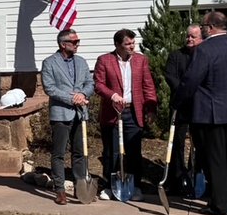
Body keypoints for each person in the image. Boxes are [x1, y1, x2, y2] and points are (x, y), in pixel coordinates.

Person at [174, 11, 227, 215]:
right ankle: (223, 201)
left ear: (210, 28)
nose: (203, 29)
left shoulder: (205, 49)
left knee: (214, 160)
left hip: (212, 114)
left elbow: (191, 80)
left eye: (203, 26)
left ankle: (220, 205)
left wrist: (178, 101)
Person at [93, 29, 157, 200]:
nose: (132, 46)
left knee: (134, 152)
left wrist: (151, 108)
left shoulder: (141, 60)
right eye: (127, 44)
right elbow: (98, 84)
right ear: (117, 45)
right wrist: (112, 95)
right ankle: (110, 185)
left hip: (133, 112)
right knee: (111, 152)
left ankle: (135, 186)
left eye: (133, 43)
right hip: (112, 113)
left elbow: (148, 85)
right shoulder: (105, 60)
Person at [39, 28, 93, 205]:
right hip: (61, 113)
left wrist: (82, 94)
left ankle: (80, 188)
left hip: (80, 114)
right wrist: (72, 99)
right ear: (63, 44)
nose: (78, 44)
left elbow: (90, 83)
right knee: (59, 154)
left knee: (79, 153)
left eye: (78, 41)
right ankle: (60, 190)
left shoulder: (81, 62)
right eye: (74, 42)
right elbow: (50, 88)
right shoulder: (49, 63)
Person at [163, 24, 204, 194]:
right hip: (179, 105)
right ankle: (177, 179)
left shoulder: (204, 55)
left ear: (201, 38)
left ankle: (196, 176)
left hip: (200, 105)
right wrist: (185, 92)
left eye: (193, 36)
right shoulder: (176, 55)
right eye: (188, 36)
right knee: (177, 143)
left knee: (200, 143)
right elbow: (170, 76)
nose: (189, 39)